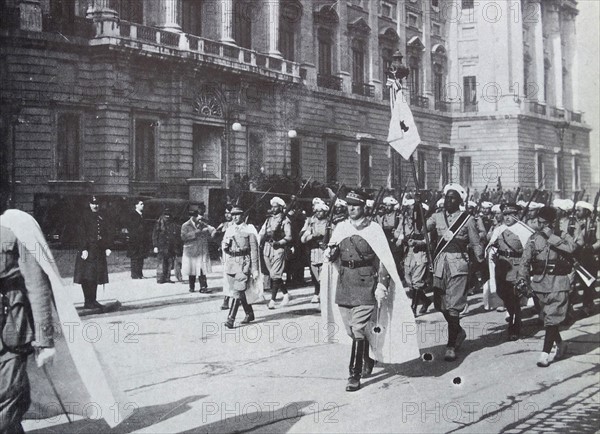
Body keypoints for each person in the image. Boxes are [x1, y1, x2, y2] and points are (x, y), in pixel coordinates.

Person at [323, 190, 419, 391]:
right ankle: (365, 355)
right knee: (350, 329)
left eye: (355, 206)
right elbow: (333, 252)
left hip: (366, 282)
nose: (351, 209)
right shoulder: (341, 227)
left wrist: (382, 284)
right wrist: (330, 253)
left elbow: (383, 258)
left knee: (358, 327)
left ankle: (354, 374)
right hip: (345, 283)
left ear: (363, 208)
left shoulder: (374, 228)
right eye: (349, 205)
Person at [1, 196, 56, 433]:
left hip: (10, 329)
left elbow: (37, 286)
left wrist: (45, 342)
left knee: (8, 396)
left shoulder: (15, 229)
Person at [427, 183, 484, 361]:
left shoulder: (467, 220)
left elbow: (475, 243)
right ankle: (458, 332)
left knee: (453, 307)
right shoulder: (436, 217)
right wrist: (419, 209)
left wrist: (479, 265)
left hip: (459, 265)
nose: (448, 200)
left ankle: (451, 345)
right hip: (439, 265)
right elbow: (422, 227)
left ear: (460, 201)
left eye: (452, 198)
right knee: (440, 305)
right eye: (446, 197)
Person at [517, 206, 575, 367]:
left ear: (553, 222)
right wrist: (522, 278)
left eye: (544, 223)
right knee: (548, 319)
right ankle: (561, 344)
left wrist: (552, 237)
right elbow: (525, 261)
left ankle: (544, 354)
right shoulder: (534, 238)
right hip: (539, 285)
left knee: (551, 318)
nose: (541, 226)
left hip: (558, 282)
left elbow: (572, 249)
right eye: (539, 222)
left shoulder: (563, 236)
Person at [487, 203, 532, 340]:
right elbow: (490, 245)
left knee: (514, 296)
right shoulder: (498, 229)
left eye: (511, 215)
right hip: (501, 265)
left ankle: (514, 325)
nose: (507, 218)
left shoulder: (524, 230)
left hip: (516, 266)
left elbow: (529, 251)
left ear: (517, 215)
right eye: (505, 214)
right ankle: (513, 315)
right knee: (502, 293)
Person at [222, 206, 259, 328]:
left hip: (244, 263)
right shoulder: (229, 229)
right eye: (233, 215)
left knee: (238, 291)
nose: (235, 217)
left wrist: (254, 269)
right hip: (232, 263)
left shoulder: (249, 230)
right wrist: (225, 246)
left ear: (243, 216)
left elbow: (254, 251)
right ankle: (249, 313)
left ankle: (230, 319)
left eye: (237, 214)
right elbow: (224, 247)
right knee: (238, 291)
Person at [73, 196, 112, 309]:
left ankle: (93, 300)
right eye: (93, 204)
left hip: (98, 251)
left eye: (97, 204)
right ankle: (87, 301)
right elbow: (81, 234)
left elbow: (106, 233)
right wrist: (84, 249)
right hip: (88, 251)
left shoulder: (101, 216)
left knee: (96, 276)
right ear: (89, 204)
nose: (95, 206)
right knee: (87, 277)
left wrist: (107, 247)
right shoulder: (84, 216)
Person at [259, 197, 292, 309]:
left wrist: (279, 242)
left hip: (278, 249)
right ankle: (286, 294)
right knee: (273, 275)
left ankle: (272, 300)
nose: (273, 208)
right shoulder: (268, 220)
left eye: (276, 206)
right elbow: (262, 233)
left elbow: (289, 236)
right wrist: (260, 240)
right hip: (267, 248)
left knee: (275, 274)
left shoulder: (285, 220)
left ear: (281, 207)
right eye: (272, 206)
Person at [300, 200, 329, 303]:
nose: (318, 213)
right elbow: (303, 238)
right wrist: (312, 236)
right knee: (315, 274)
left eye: (320, 211)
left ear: (325, 212)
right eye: (316, 211)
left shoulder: (329, 222)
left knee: (325, 274)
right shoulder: (311, 223)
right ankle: (318, 292)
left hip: (325, 251)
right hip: (314, 251)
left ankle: (323, 294)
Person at [181, 209, 216, 293]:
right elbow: (183, 237)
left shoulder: (202, 224)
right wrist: (196, 232)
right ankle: (191, 287)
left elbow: (211, 229)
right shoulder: (185, 225)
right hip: (191, 251)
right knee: (192, 269)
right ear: (192, 217)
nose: (200, 217)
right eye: (198, 216)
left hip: (201, 250)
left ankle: (203, 287)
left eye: (201, 215)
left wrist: (213, 231)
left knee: (201, 269)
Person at [215, 206, 235, 310]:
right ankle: (226, 300)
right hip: (225, 253)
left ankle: (238, 299)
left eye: (229, 213)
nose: (227, 215)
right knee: (227, 276)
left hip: (235, 253)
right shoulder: (223, 225)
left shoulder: (237, 225)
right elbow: (215, 237)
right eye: (226, 213)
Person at [152, 208, 179, 284]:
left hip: (170, 246)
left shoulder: (172, 223)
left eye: (168, 215)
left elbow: (175, 235)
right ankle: (160, 278)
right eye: (165, 214)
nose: (167, 216)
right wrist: (155, 246)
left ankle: (167, 277)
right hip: (161, 246)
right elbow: (155, 235)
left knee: (169, 262)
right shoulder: (159, 223)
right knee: (161, 262)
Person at [127, 199, 147, 279]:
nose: (143, 205)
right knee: (135, 257)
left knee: (141, 257)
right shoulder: (132, 215)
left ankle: (140, 274)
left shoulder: (142, 215)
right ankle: (134, 274)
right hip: (134, 240)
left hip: (141, 240)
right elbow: (131, 227)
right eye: (141, 204)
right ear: (136, 205)